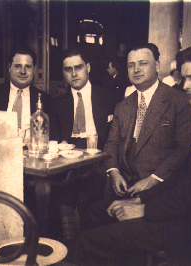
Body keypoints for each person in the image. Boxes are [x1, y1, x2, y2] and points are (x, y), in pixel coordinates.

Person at [73, 44, 191, 266]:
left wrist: (143, 208)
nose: (186, 86)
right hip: (179, 209)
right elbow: (187, 178)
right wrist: (141, 199)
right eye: (184, 79)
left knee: (86, 241)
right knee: (97, 212)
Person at [102, 43, 191, 203]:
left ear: (158, 66)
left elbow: (183, 149)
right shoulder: (122, 106)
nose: (136, 70)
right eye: (131, 65)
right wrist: (114, 172)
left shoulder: (179, 101)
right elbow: (111, 144)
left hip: (158, 189)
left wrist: (153, 179)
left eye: (143, 63)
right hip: (122, 184)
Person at [49, 48, 115, 242]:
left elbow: (115, 137)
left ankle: (84, 241)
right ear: (63, 72)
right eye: (68, 69)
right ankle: (71, 242)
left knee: (90, 188)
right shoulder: (57, 103)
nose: (74, 73)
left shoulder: (109, 96)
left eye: (78, 67)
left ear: (88, 68)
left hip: (100, 155)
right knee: (64, 185)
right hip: (69, 158)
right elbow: (54, 138)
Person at [0, 47, 50, 134]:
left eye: (28, 67)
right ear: (9, 68)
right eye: (18, 66)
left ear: (34, 70)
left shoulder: (46, 100)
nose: (23, 71)